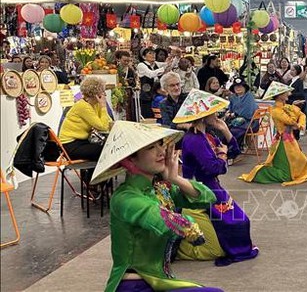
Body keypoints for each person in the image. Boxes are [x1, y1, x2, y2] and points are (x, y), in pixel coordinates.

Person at [88, 121, 223, 292]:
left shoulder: (161, 188)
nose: (161, 152)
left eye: (161, 145)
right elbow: (158, 218)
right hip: (133, 286)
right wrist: (189, 227)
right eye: (151, 148)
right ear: (130, 159)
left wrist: (175, 178)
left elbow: (208, 198)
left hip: (159, 281)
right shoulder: (124, 198)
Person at [172, 90, 259, 266]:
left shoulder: (208, 135)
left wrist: (225, 130)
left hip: (213, 187)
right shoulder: (194, 139)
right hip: (199, 191)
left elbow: (233, 152)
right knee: (234, 224)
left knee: (241, 220)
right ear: (204, 115)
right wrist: (221, 156)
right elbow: (214, 168)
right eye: (213, 111)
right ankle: (180, 247)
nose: (217, 114)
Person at [239, 81, 307, 186]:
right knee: (290, 165)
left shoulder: (284, 107)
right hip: (283, 141)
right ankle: (259, 173)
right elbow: (291, 121)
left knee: (298, 160)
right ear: (280, 95)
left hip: (288, 139)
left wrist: (295, 112)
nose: (288, 94)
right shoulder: (277, 110)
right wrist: (296, 117)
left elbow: (302, 115)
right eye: (286, 92)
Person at [59, 76, 112, 166]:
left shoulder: (96, 104)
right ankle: (95, 179)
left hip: (83, 142)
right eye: (102, 91)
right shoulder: (82, 106)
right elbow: (103, 127)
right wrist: (103, 106)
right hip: (70, 145)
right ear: (95, 93)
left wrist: (102, 107)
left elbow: (108, 122)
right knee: (105, 151)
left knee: (109, 148)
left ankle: (95, 179)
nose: (104, 94)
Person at [225, 78, 258, 146]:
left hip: (250, 123)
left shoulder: (249, 97)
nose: (238, 88)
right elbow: (230, 109)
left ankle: (234, 148)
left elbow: (248, 113)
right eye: (236, 86)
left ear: (244, 87)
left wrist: (234, 114)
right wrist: (228, 113)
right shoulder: (233, 97)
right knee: (222, 128)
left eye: (240, 86)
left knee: (232, 132)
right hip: (235, 121)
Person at [137, 48, 165, 118]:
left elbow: (167, 65)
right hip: (146, 96)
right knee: (148, 117)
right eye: (150, 53)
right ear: (143, 57)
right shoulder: (141, 65)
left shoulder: (155, 64)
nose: (153, 55)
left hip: (156, 95)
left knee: (158, 116)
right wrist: (163, 69)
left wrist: (174, 58)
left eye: (154, 53)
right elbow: (151, 74)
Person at [115, 50, 139, 121]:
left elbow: (134, 83)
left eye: (128, 61)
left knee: (128, 114)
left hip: (128, 95)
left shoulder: (131, 70)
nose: (126, 63)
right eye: (124, 60)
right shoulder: (114, 69)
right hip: (117, 95)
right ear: (119, 59)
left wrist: (130, 83)